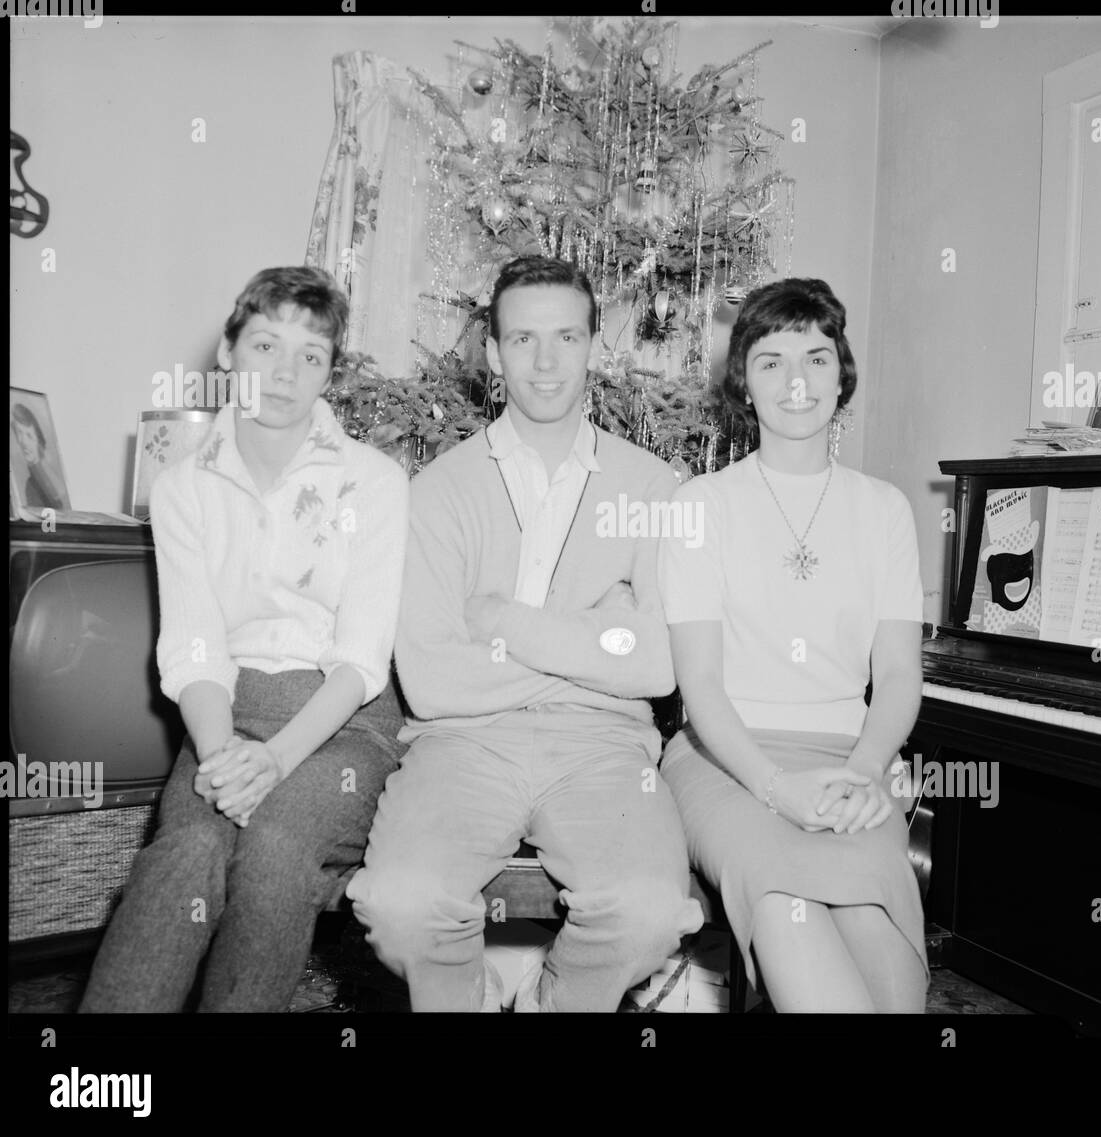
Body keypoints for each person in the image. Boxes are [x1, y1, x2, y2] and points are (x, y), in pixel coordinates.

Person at [347, 255, 703, 1012]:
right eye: (523, 339)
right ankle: (472, 996)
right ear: (494, 351)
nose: (545, 363)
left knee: (647, 911)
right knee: (402, 905)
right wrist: (599, 640)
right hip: (464, 740)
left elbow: (661, 665)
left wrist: (501, 622)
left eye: (567, 338)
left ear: (596, 346)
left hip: (604, 746)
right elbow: (434, 680)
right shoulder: (439, 491)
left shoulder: (652, 489)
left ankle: (554, 999)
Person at [80, 266, 409, 1012]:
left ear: (330, 372)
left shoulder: (375, 481)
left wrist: (273, 759)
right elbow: (194, 645)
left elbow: (361, 660)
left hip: (339, 724)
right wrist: (225, 752)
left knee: (274, 853)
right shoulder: (182, 486)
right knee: (186, 854)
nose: (284, 374)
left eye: (310, 356)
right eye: (265, 345)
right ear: (227, 352)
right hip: (222, 714)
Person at [657, 277, 929, 1013]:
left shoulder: (884, 511)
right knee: (786, 903)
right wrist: (777, 787)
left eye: (816, 356)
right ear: (743, 382)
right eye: (771, 361)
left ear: (842, 374)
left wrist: (867, 772)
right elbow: (702, 689)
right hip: (729, 759)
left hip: (850, 760)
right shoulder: (700, 507)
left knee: (880, 946)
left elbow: (900, 675)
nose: (797, 380)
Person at [12, 401, 69, 510]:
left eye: (29, 435)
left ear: (38, 441)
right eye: (19, 432)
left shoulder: (46, 479)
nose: (23, 441)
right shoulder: (28, 482)